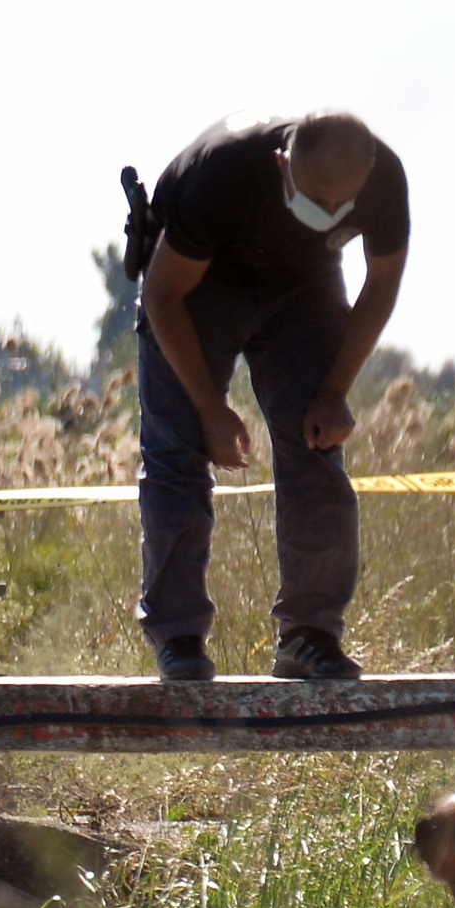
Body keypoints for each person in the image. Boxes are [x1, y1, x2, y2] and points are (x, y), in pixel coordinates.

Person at [133, 112, 410, 683]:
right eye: (314, 199)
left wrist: (334, 392)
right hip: (196, 285)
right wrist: (210, 408)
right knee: (176, 453)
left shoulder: (383, 180)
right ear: (283, 166)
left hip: (303, 287)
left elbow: (380, 287)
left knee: (316, 443)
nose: (329, 213)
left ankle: (311, 635)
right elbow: (164, 298)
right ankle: (178, 638)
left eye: (342, 205)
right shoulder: (223, 175)